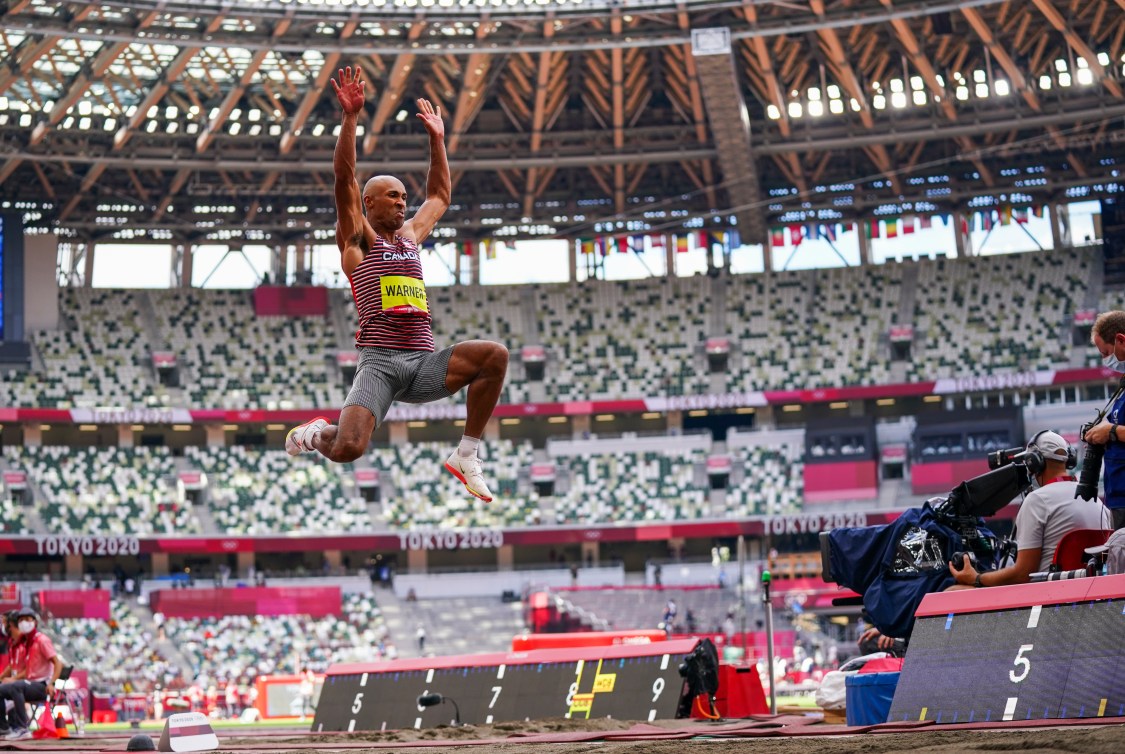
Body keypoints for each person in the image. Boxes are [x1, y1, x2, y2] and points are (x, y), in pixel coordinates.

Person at [285, 65, 508, 503]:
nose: (403, 201)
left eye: (405, 196)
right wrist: (350, 119)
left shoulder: (410, 238)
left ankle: (466, 454)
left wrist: (437, 140)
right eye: (393, 196)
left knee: (494, 356)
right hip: (381, 365)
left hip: (424, 364)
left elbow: (440, 196)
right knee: (348, 448)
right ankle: (315, 435)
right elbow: (345, 179)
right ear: (368, 204)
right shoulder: (358, 240)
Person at [949, 430, 1110, 588]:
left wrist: (976, 578)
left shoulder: (1036, 501)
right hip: (1090, 596)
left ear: (1034, 462)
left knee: (953, 591)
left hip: (1048, 599)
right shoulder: (1097, 501)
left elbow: (1023, 574)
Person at [1084, 310, 1125, 529]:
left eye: (1106, 352)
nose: (1105, 360)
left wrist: (1110, 431)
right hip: (1118, 499)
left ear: (1121, 340)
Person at [0, 608, 63, 740]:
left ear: (35, 622)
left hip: (42, 685)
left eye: (28, 619)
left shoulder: (41, 640)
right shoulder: (27, 642)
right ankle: (5, 728)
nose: (24, 622)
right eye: (21, 620)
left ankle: (23, 728)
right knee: (5, 688)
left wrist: (51, 683)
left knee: (16, 686)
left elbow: (58, 664)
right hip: (29, 685)